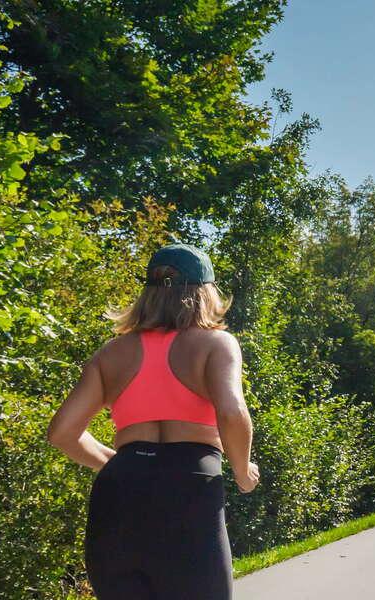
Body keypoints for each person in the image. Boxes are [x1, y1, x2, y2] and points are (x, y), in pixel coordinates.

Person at [45, 243, 260, 600]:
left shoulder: (112, 353)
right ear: (205, 292)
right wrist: (242, 470)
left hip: (119, 489)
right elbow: (232, 411)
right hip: (189, 483)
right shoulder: (216, 344)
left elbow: (62, 433)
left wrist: (120, 464)